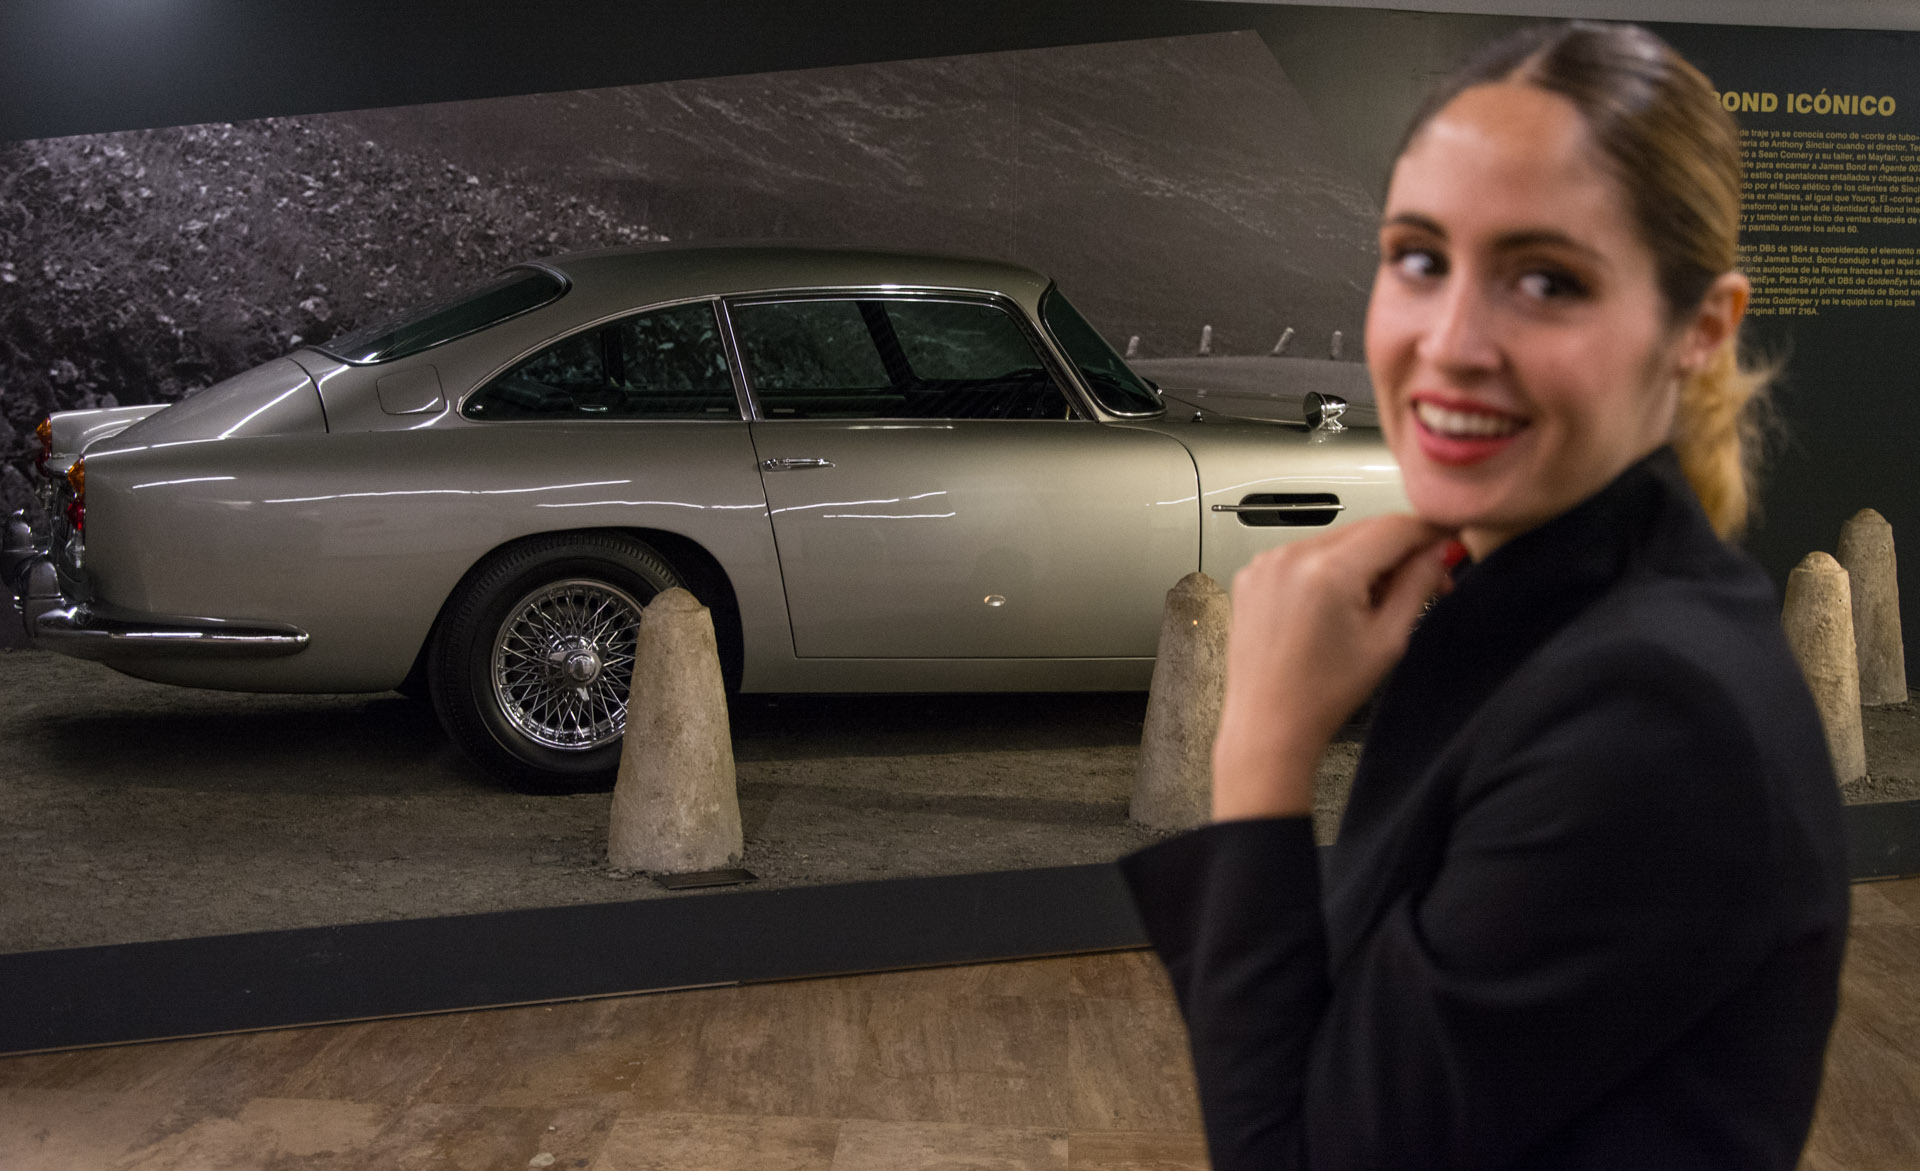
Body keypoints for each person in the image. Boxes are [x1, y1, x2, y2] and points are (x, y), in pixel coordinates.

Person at [1120, 22, 1849, 1170]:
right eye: (1419, 258)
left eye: (1547, 280)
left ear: (1700, 330)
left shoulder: (1653, 714)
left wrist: (1262, 740)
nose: (1450, 342)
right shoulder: (1566, 612)